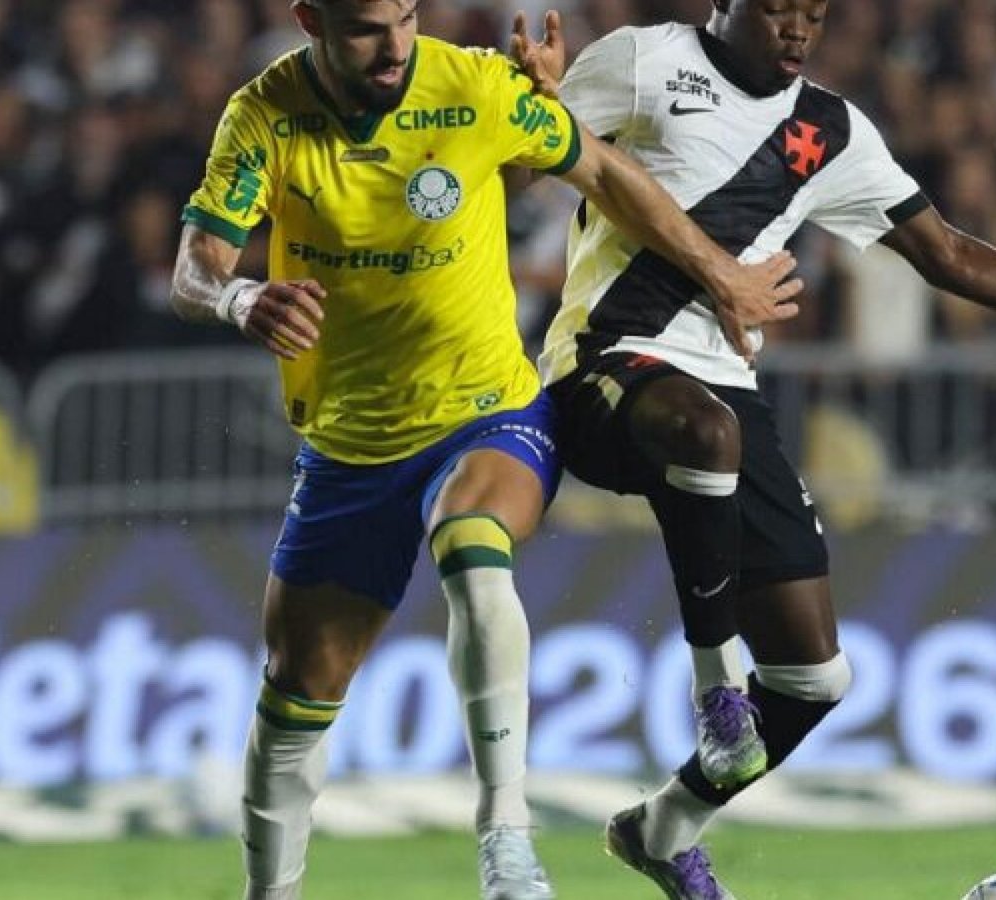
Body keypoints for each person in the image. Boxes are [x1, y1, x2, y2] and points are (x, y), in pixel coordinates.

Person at [510, 3, 996, 897]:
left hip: (724, 393)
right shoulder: (641, 63)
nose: (797, 29)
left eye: (812, 14)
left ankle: (662, 829)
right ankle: (714, 691)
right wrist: (534, 109)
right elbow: (520, 159)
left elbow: (947, 252)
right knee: (705, 432)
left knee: (814, 678)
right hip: (600, 370)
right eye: (778, 10)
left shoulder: (832, 131)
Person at [168, 2, 800, 899]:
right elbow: (196, 265)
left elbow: (607, 173)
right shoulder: (263, 116)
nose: (393, 46)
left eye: (406, 17)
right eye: (363, 28)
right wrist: (236, 300)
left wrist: (720, 272)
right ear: (309, 20)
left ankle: (507, 837)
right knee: (295, 696)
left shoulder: (472, 87)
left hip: (490, 411)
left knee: (473, 540)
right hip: (350, 447)